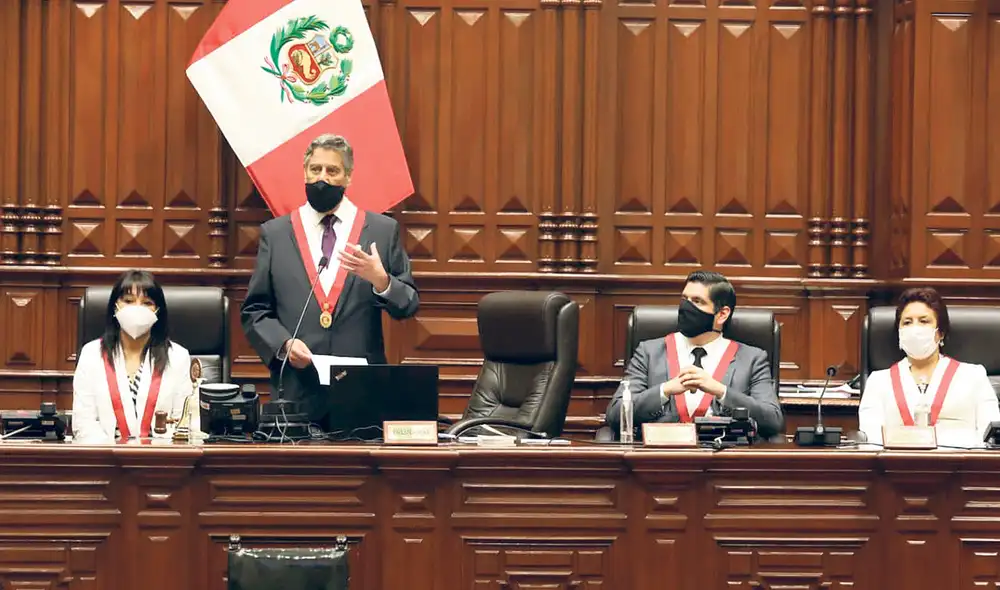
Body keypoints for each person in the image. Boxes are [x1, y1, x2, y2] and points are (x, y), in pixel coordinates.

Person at [241, 133, 419, 428]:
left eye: (332, 171)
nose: (322, 178)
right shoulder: (276, 234)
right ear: (304, 172)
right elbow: (255, 311)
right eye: (315, 169)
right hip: (298, 390)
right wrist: (283, 344)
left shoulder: (381, 230)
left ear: (348, 177)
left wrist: (382, 281)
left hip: (361, 391)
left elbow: (408, 305)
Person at [606, 270, 784, 440]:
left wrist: (720, 391)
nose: (686, 306)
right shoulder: (649, 352)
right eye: (684, 299)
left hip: (723, 458)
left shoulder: (752, 359)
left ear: (722, 314)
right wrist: (665, 390)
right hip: (660, 456)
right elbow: (615, 414)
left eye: (697, 301)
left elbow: (772, 419)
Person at [858, 287, 1000, 446]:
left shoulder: (973, 376)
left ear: (940, 332)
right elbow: (870, 438)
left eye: (924, 321)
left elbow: (991, 438)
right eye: (907, 322)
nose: (915, 329)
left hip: (960, 466)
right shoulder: (878, 381)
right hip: (897, 466)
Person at [72, 270, 196, 442]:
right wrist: (113, 456)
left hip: (161, 459)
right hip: (105, 459)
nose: (137, 308)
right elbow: (83, 422)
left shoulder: (178, 357)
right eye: (128, 301)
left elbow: (183, 424)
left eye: (147, 303)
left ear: (158, 311)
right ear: (115, 307)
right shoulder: (91, 354)